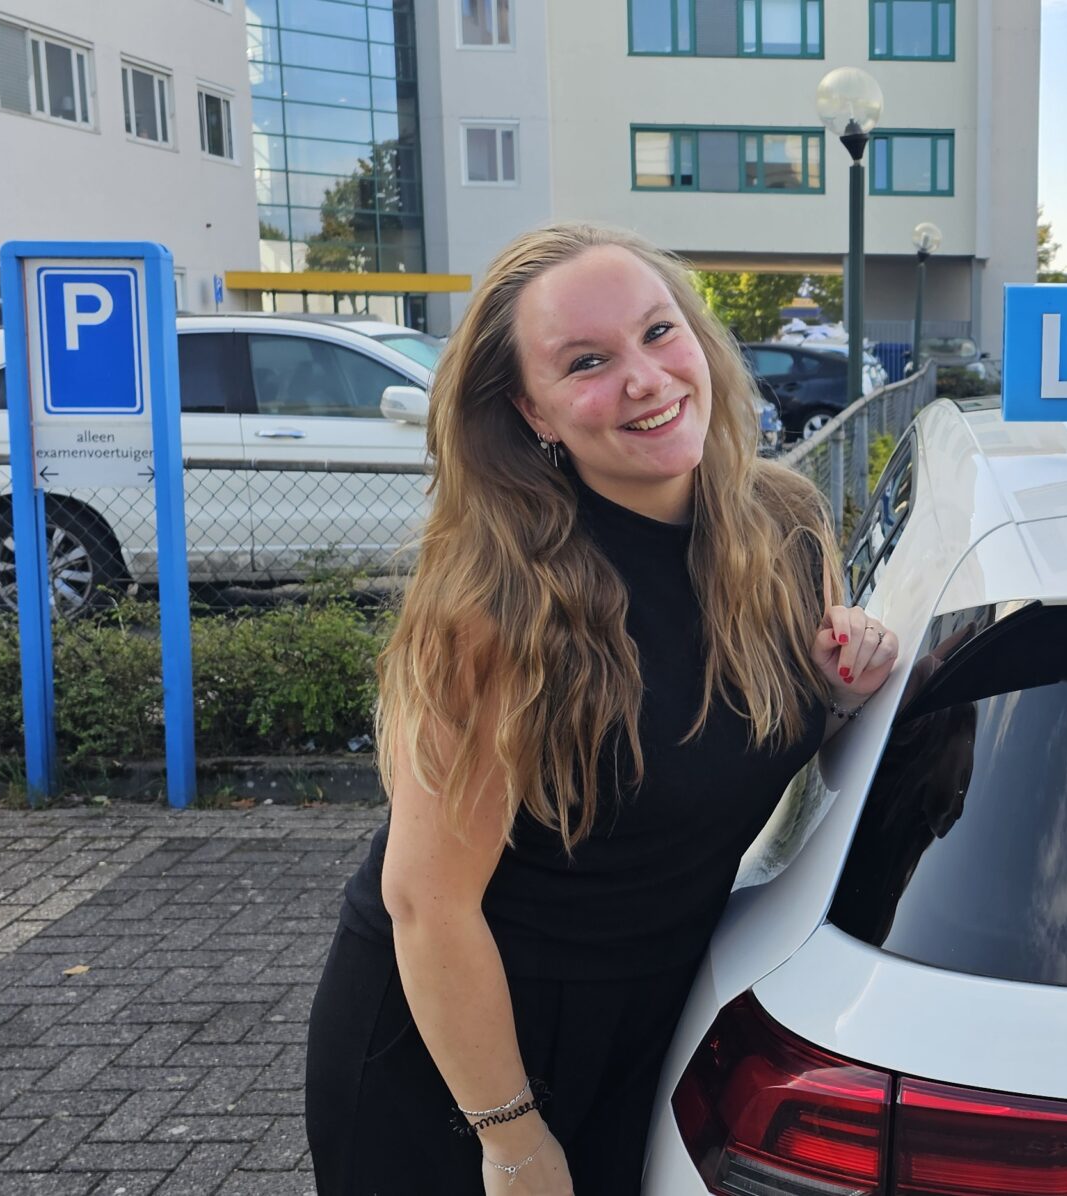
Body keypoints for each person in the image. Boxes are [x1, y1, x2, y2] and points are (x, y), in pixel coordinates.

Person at [304, 222, 899, 1195]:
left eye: (658, 332)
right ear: (527, 409)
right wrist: (512, 1138)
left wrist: (837, 695)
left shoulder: (783, 527)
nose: (645, 377)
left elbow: (718, 758)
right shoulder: (499, 604)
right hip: (454, 1047)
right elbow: (429, 902)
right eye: (588, 360)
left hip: (652, 1012)